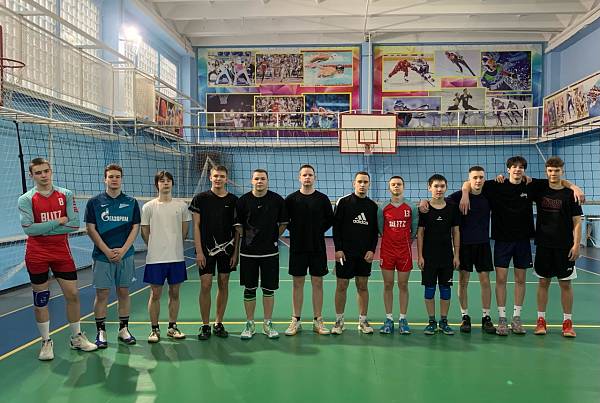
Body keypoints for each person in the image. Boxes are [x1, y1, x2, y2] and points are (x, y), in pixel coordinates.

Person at [460, 156, 584, 336]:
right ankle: (502, 319)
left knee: (520, 280)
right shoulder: (496, 185)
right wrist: (465, 193)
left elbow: (559, 181)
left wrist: (575, 187)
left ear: (524, 170)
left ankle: (516, 318)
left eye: (520, 167)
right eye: (514, 167)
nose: (517, 169)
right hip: (502, 241)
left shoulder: (532, 185)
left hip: (523, 241)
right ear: (508, 169)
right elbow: (471, 182)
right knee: (501, 280)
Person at [18, 157, 97, 360]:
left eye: (46, 171)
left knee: (73, 295)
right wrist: (57, 221)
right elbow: (29, 229)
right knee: (41, 300)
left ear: (51, 171)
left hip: (61, 253)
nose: (43, 175)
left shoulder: (65, 194)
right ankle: (46, 342)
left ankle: (76, 337)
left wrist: (43, 229)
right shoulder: (26, 199)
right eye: (38, 172)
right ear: (31, 175)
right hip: (37, 255)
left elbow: (73, 224)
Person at [85, 164, 140, 348]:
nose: (114, 179)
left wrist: (123, 250)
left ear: (121, 179)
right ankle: (101, 331)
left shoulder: (131, 202)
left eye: (117, 176)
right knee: (102, 293)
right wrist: (106, 250)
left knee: (123, 291)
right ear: (105, 179)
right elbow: (90, 228)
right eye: (111, 176)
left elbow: (135, 228)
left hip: (125, 255)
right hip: (102, 256)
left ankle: (123, 329)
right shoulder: (94, 202)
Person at [530, 157, 582, 338]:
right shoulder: (539, 188)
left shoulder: (570, 194)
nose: (553, 173)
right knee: (543, 282)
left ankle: (567, 323)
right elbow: (520, 179)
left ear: (562, 171)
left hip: (564, 246)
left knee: (565, 284)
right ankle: (541, 321)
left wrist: (576, 244)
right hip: (543, 245)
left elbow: (577, 222)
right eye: (550, 170)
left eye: (557, 170)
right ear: (546, 171)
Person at [235, 169, 288, 339]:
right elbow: (238, 225)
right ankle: (250, 324)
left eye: (263, 178)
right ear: (252, 181)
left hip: (269, 253)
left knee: (268, 289)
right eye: (256, 178)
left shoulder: (277, 200)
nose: (259, 181)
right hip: (248, 253)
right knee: (249, 289)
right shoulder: (243, 201)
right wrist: (250, 238)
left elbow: (283, 223)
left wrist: (272, 237)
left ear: (267, 181)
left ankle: (267, 323)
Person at [189, 165, 240, 340]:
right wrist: (199, 251)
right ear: (210, 178)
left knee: (223, 283)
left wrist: (235, 253)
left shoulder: (234, 201)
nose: (218, 179)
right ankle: (205, 325)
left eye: (222, 176)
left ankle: (218, 323)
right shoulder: (200, 199)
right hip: (205, 250)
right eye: (216, 176)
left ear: (226, 179)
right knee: (205, 284)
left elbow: (237, 230)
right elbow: (196, 226)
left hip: (227, 250)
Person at [141, 171, 192, 343]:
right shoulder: (148, 207)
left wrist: (173, 245)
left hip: (176, 258)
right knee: (155, 294)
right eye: (162, 181)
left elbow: (184, 231)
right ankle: (154, 329)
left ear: (172, 184)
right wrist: (155, 245)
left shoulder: (181, 206)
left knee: (175, 293)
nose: (165, 183)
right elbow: (145, 232)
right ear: (157, 184)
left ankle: (172, 327)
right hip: (155, 259)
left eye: (169, 180)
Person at [284, 165, 334, 336]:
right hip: (297, 247)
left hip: (317, 247)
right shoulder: (291, 199)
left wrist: (317, 231)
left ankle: (318, 320)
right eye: (304, 175)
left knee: (317, 283)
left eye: (310, 175)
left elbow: (329, 220)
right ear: (299, 177)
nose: (307, 177)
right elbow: (285, 220)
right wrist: (297, 231)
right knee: (297, 283)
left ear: (314, 178)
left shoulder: (322, 199)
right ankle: (295, 320)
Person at [447, 167, 496, 334]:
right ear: (469, 179)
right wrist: (425, 202)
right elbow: (438, 201)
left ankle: (486, 317)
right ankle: (465, 316)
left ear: (484, 179)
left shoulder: (488, 193)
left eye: (481, 177)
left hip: (483, 244)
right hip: (464, 245)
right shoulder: (457, 197)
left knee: (485, 281)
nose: (478, 180)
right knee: (463, 282)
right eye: (475, 177)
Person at [331, 171, 379, 335]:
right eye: (359, 181)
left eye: (365, 182)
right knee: (341, 285)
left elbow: (374, 231)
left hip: (364, 254)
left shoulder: (372, 206)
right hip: (345, 253)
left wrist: (372, 250)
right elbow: (336, 227)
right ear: (354, 183)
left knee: (362, 285)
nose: (362, 184)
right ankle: (339, 321)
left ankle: (363, 321)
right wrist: (338, 249)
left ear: (369, 184)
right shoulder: (343, 202)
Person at [417, 174, 460, 335]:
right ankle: (431, 321)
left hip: (447, 256)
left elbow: (456, 232)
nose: (439, 189)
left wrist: (456, 255)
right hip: (428, 257)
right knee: (429, 290)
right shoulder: (424, 209)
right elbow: (420, 233)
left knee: (445, 290)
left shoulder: (452, 208)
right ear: (429, 188)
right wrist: (420, 256)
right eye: (436, 186)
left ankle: (443, 321)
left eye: (442, 186)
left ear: (446, 188)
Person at [378, 176, 418, 335]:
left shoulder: (411, 207)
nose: (396, 186)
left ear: (403, 186)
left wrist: (405, 241)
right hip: (387, 251)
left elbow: (414, 229)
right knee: (388, 285)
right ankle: (388, 319)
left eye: (399, 184)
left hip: (404, 252)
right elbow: (381, 228)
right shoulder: (383, 207)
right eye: (393, 184)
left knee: (403, 285)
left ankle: (402, 319)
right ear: (389, 187)